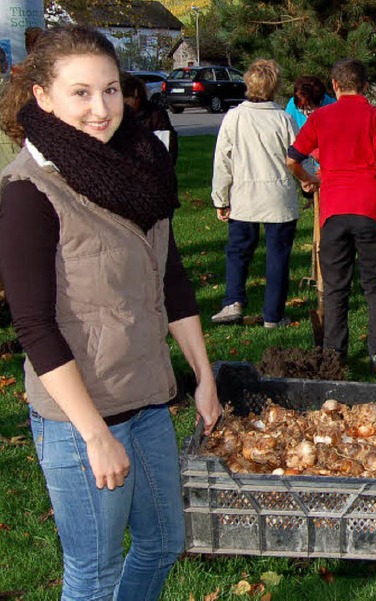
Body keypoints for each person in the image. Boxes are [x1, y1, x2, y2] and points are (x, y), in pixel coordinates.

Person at [0, 25, 222, 599]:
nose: (101, 109)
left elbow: (171, 281)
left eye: (110, 90)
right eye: (80, 93)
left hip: (148, 398)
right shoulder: (30, 190)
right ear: (42, 97)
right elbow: (34, 326)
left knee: (163, 542)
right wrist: (94, 434)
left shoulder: (141, 170)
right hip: (81, 416)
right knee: (94, 573)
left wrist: (202, 377)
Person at [287, 58, 376, 372]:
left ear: (335, 86)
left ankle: (335, 354)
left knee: (336, 288)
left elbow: (292, 157)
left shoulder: (321, 118)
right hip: (372, 212)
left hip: (334, 215)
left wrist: (308, 179)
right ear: (365, 86)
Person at [210, 58, 304, 328]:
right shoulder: (283, 119)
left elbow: (222, 160)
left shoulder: (235, 117)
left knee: (238, 252)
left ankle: (233, 302)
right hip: (278, 198)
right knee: (277, 257)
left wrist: (221, 198)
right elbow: (297, 157)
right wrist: (307, 181)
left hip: (245, 197)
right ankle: (273, 315)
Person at [121, 71, 178, 164]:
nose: (122, 108)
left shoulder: (156, 115)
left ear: (135, 94)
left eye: (126, 103)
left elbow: (169, 149)